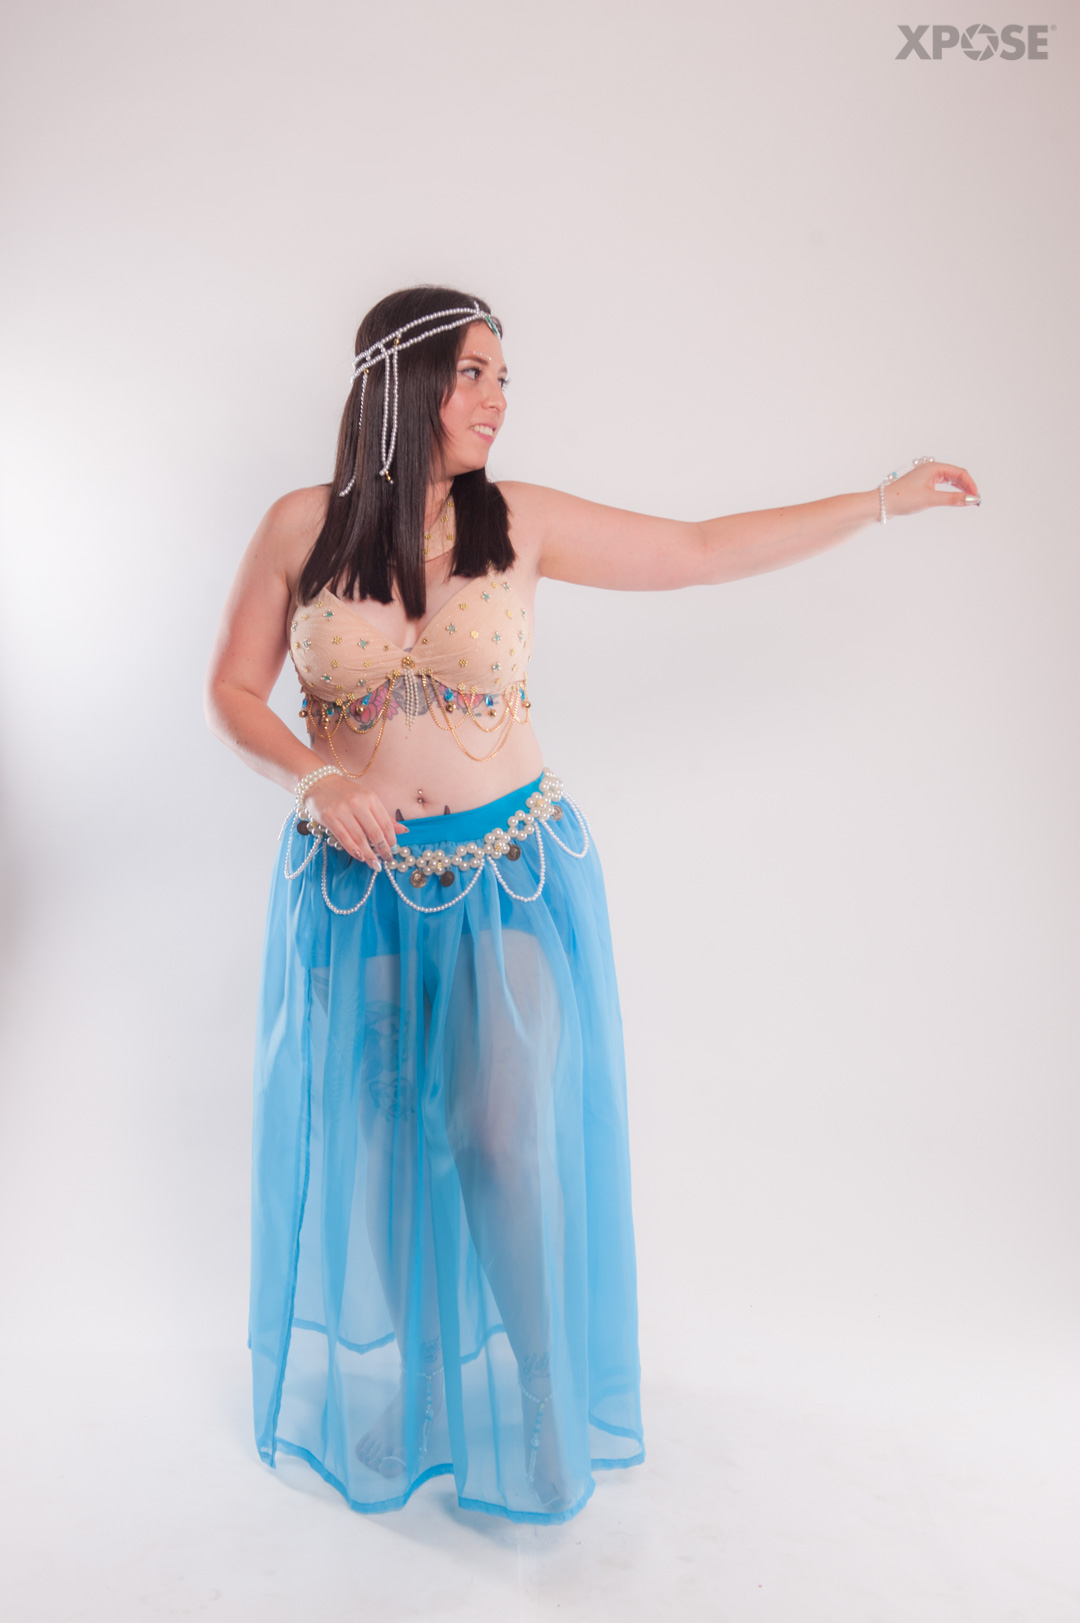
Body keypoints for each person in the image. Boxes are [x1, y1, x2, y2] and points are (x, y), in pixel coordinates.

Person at [204, 284, 980, 1526]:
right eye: (475, 374)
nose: (498, 399)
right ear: (403, 380)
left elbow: (700, 549)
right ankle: (429, 1392)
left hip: (509, 868)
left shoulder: (521, 520)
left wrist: (878, 501)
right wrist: (316, 781)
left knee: (497, 1132)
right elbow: (234, 692)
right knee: (394, 1139)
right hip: (360, 888)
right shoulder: (302, 525)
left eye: (505, 378)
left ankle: (540, 1389)